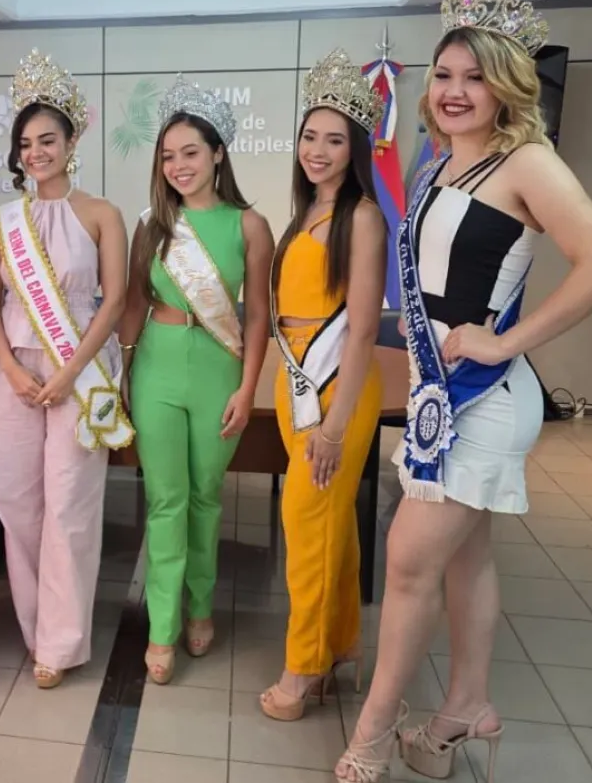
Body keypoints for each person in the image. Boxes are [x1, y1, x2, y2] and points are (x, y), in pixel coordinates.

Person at [335, 0, 592, 782]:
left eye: (476, 76)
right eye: (444, 74)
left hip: (485, 397)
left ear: (507, 86)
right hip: (439, 390)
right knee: (467, 558)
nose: (455, 90)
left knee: (406, 563)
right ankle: (466, 705)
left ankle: (370, 736)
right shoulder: (440, 164)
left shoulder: (527, 161)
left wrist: (507, 343)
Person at [0, 50, 130, 690]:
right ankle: (36, 623)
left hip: (81, 365)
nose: (35, 152)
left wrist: (69, 373)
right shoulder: (4, 220)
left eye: (47, 140)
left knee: (70, 503)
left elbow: (115, 300)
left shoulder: (101, 214)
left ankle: (61, 643)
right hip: (15, 368)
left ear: (71, 142)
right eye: (25, 144)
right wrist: (11, 369)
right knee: (15, 498)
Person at [119, 76, 272, 684]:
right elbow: (133, 302)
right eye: (167, 156)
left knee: (207, 495)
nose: (178, 166)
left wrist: (248, 387)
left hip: (219, 370)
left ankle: (200, 604)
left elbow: (256, 315)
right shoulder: (152, 224)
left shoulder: (249, 225)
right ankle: (162, 628)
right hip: (157, 365)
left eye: (190, 153)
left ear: (218, 154)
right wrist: (123, 374)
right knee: (166, 499)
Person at [259, 49, 386, 720]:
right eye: (310, 136)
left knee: (306, 522)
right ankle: (339, 644)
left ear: (354, 148)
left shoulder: (361, 217)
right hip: (298, 381)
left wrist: (335, 427)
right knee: (330, 520)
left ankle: (302, 666)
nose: (318, 150)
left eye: (334, 140)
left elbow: (361, 331)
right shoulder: (306, 211)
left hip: (338, 389)